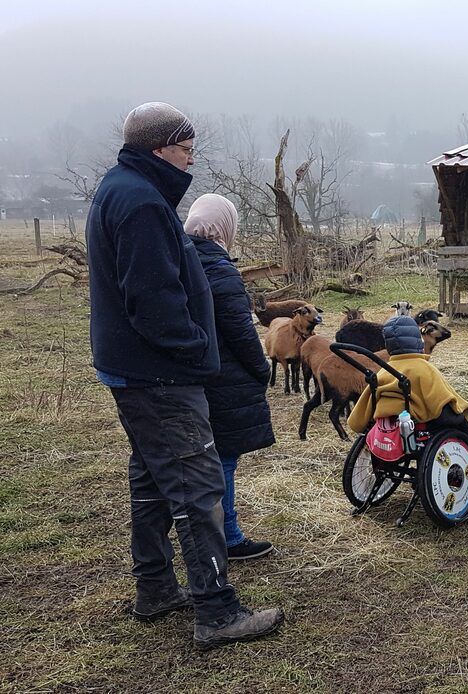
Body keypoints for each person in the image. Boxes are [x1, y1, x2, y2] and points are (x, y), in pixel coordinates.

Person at [86, 102, 283, 650]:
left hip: (135, 371)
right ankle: (217, 610)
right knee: (197, 489)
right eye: (186, 150)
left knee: (151, 482)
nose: (191, 161)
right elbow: (153, 299)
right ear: (160, 149)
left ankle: (154, 587)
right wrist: (199, 352)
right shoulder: (142, 202)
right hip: (162, 376)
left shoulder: (122, 188)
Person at [184, 194, 275, 561]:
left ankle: (201, 534)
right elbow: (241, 332)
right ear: (224, 227)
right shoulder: (220, 270)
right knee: (222, 458)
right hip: (223, 379)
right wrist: (262, 369)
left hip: (185, 378)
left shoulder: (178, 260)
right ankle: (228, 536)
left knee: (194, 459)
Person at [347, 316, 468, 435]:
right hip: (424, 425)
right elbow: (446, 400)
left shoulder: (384, 372)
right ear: (417, 339)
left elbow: (356, 419)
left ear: (388, 344)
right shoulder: (425, 368)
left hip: (390, 426)